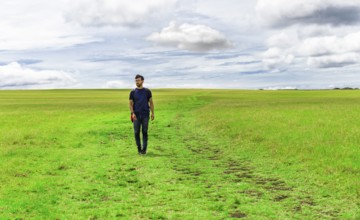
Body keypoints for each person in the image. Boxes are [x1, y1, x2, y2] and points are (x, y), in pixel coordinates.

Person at [129, 74, 154, 155]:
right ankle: (139, 148)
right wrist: (132, 113)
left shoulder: (147, 91)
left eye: (138, 80)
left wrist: (153, 113)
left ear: (142, 81)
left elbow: (151, 102)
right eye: (136, 80)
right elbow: (130, 104)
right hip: (136, 115)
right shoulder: (132, 92)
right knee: (136, 132)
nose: (137, 82)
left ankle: (144, 149)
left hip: (145, 114)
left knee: (144, 131)